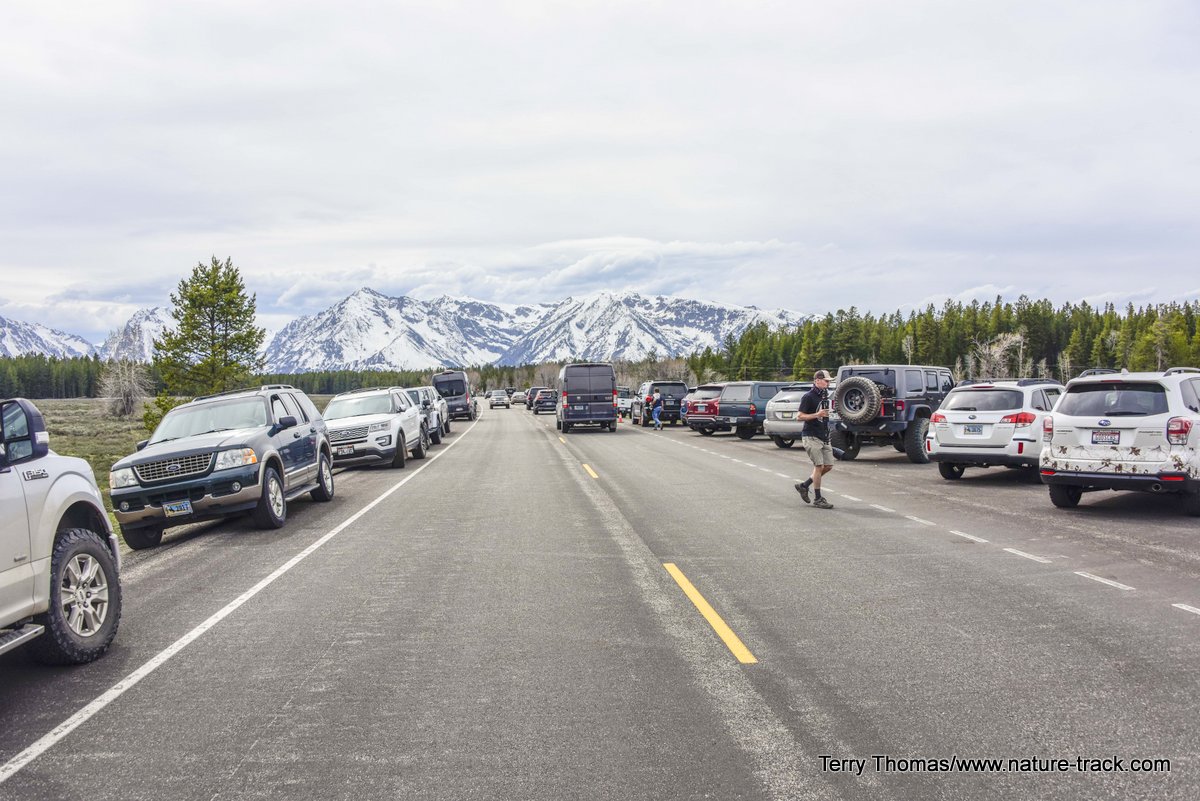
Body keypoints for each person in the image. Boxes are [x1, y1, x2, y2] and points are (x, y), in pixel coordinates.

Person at [795, 370, 835, 509]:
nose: (828, 383)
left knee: (828, 466)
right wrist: (816, 414)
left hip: (823, 435)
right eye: (826, 380)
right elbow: (799, 416)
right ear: (817, 380)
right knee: (819, 466)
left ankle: (804, 485)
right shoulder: (808, 397)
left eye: (829, 381)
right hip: (810, 435)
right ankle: (818, 498)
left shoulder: (824, 397)